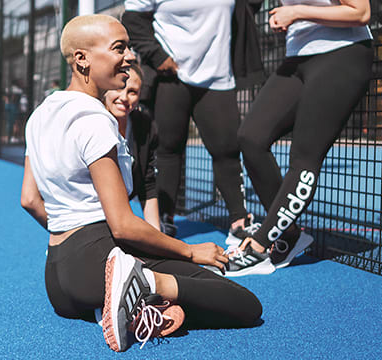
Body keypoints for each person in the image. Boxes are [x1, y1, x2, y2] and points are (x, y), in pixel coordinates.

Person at [20, 14, 261, 352]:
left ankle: (146, 311)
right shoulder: (95, 120)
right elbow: (122, 226)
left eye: (129, 48)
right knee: (244, 303)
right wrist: (192, 251)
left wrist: (74, 240)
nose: (129, 56)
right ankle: (142, 285)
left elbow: (29, 199)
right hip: (100, 260)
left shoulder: (40, 115)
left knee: (182, 290)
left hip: (58, 277)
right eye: (119, 48)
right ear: (82, 59)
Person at [224, 0, 374, 276]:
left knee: (304, 156)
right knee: (251, 138)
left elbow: (360, 12)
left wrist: (296, 12)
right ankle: (288, 232)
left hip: (343, 53)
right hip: (297, 57)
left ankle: (259, 246)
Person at [122, 0, 265, 242]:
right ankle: (164, 219)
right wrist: (157, 56)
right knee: (168, 148)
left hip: (218, 77)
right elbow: (133, 19)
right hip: (171, 75)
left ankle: (239, 220)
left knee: (227, 149)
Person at [103, 62, 163, 232]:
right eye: (118, 88)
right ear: (106, 89)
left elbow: (148, 185)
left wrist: (157, 236)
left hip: (120, 219)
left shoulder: (145, 126)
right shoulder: (93, 123)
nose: (124, 97)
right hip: (90, 218)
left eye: (132, 92)